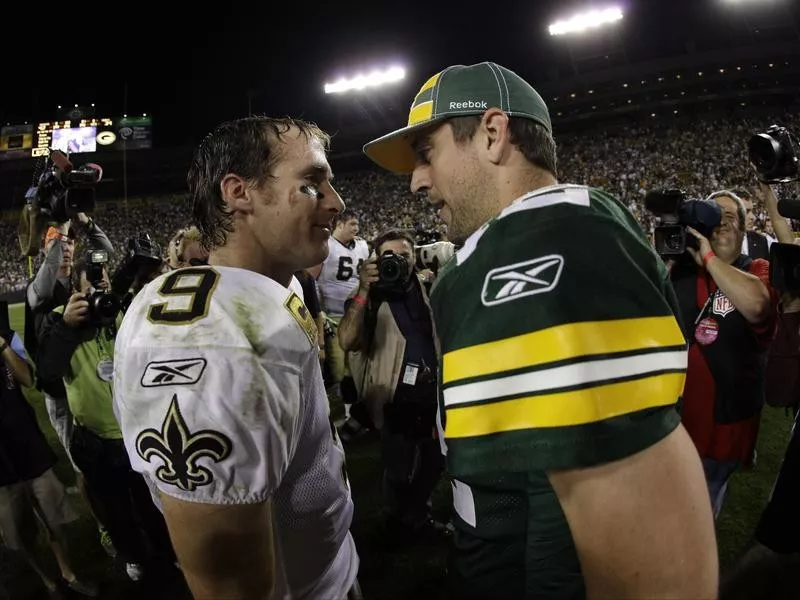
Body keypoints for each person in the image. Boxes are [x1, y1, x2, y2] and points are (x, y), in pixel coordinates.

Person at [363, 61, 717, 598]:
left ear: (492, 134)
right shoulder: (534, 239)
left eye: (426, 153)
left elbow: (638, 533)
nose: (416, 180)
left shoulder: (543, 249)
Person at [113, 116, 360, 599]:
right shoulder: (206, 335)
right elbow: (225, 575)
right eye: (311, 183)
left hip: (328, 569)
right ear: (239, 193)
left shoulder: (268, 288)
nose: (336, 202)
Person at [669, 191, 777, 518]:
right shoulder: (682, 270)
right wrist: (669, 257)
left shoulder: (757, 268)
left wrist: (711, 261)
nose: (725, 221)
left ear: (744, 232)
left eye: (733, 217)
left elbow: (757, 306)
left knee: (701, 507)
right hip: (673, 421)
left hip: (724, 427)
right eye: (717, 214)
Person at [338, 229, 445, 540]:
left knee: (434, 459)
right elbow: (346, 340)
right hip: (396, 396)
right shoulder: (368, 297)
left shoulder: (427, 286)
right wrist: (362, 290)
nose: (397, 261)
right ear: (376, 259)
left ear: (414, 256)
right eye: (389, 256)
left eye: (404, 255)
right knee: (399, 466)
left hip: (433, 392)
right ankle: (394, 519)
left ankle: (417, 515)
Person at [0, 322, 97, 598]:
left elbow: (29, 379)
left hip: (28, 443)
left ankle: (68, 573)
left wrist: (4, 346)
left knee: (53, 517)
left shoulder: (6, 334)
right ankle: (48, 582)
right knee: (19, 533)